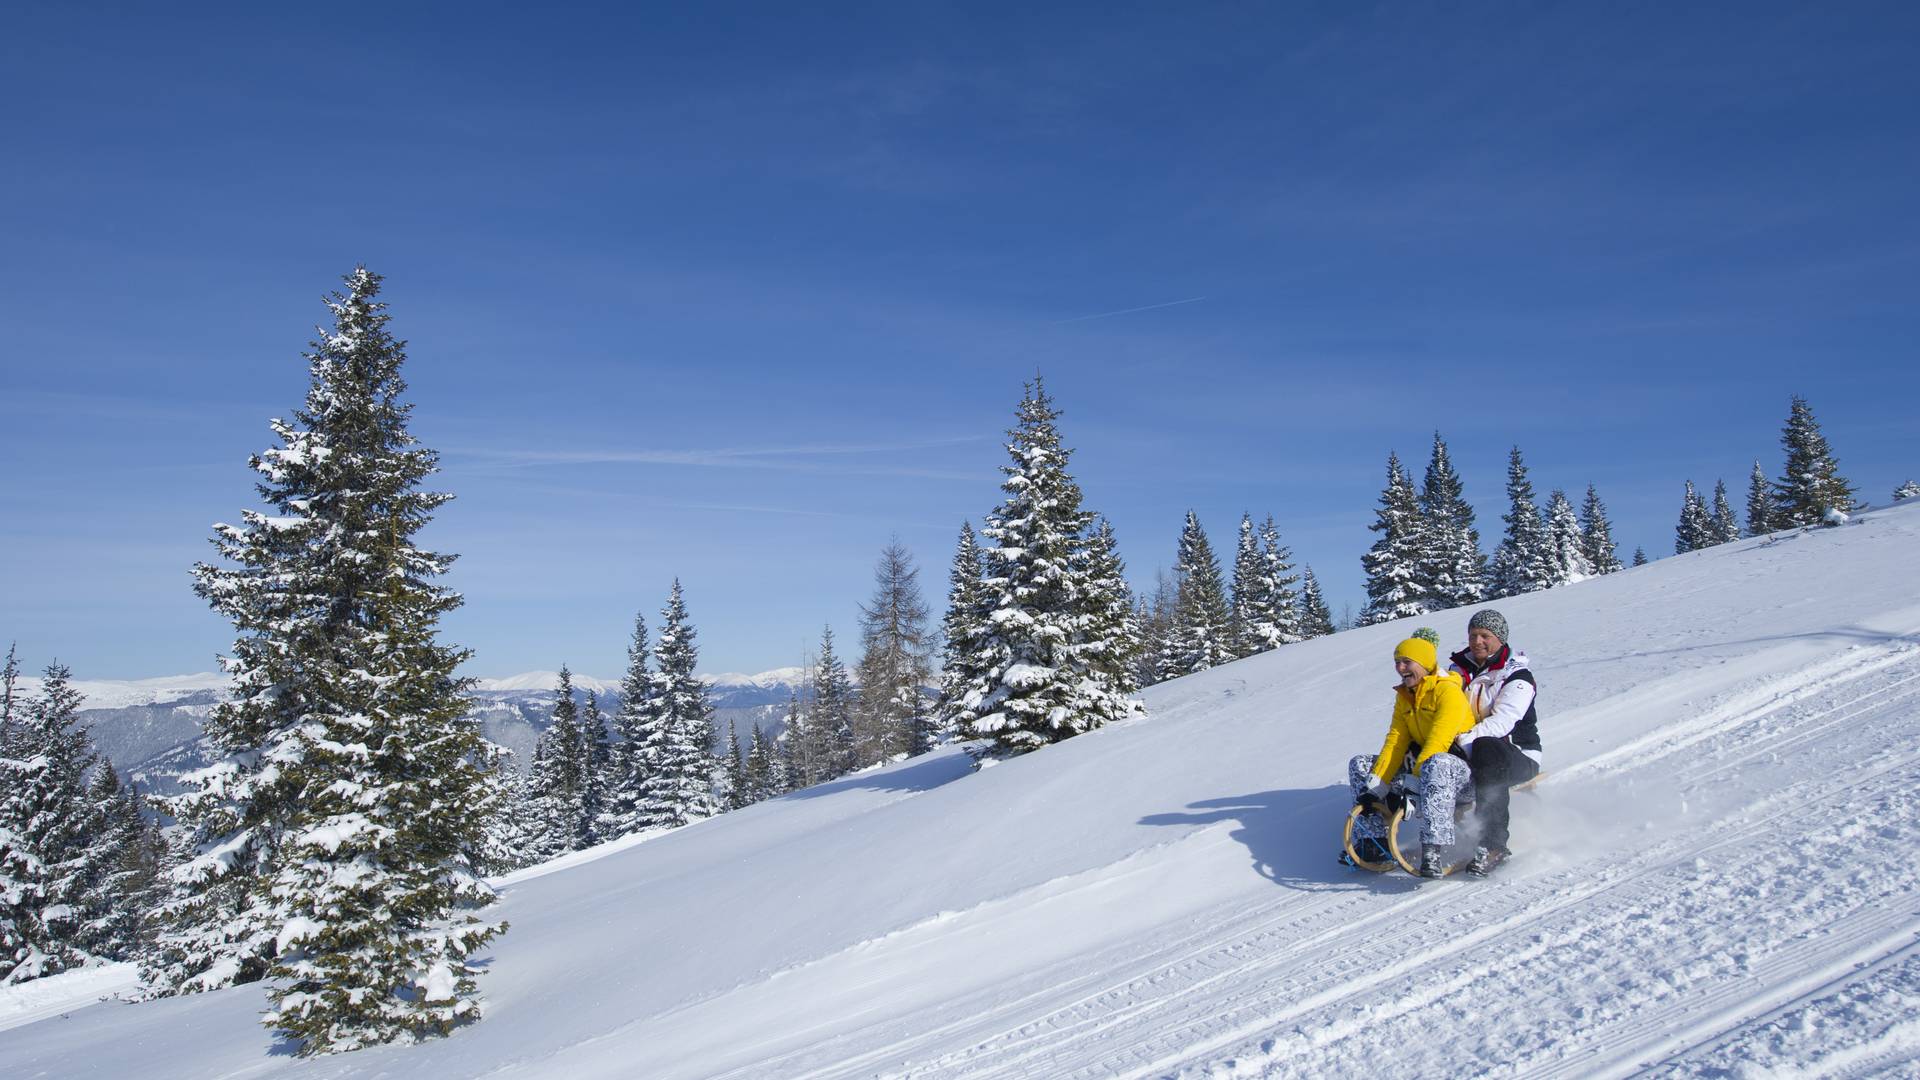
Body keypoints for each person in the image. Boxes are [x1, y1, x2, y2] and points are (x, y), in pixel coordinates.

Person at [1343, 634, 1476, 877]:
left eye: (1406, 662)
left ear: (1424, 663)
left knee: (1437, 762)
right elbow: (1396, 739)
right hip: (1424, 770)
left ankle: (1435, 848)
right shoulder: (1405, 696)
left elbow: (1439, 741)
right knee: (1361, 764)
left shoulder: (1448, 693)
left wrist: (1414, 786)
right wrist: (1377, 783)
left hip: (1461, 779)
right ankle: (1373, 843)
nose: (1400, 668)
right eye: (1397, 662)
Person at [1447, 609, 1542, 877]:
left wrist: (1459, 742)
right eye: (1473, 635)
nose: (1477, 641)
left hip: (1517, 756)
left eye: (1485, 635)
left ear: (1500, 638)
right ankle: (1434, 835)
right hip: (1469, 751)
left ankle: (1493, 843)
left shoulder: (1518, 676)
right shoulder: (1458, 671)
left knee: (1487, 745)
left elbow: (1502, 723)